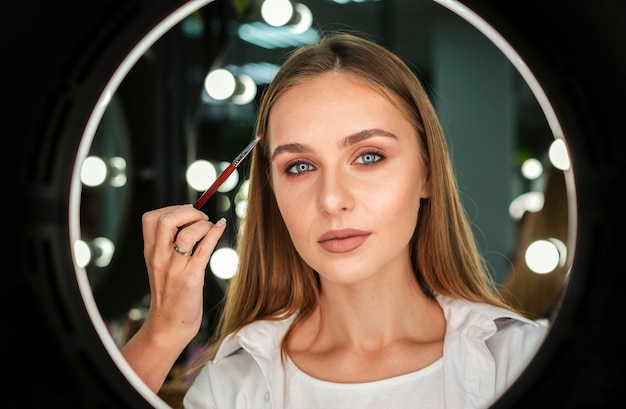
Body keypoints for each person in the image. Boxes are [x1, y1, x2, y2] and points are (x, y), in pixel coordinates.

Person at [121, 31, 548, 409]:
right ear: (272, 192)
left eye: (368, 157)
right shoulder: (233, 388)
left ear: (428, 173)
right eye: (300, 166)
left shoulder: (521, 361)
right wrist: (160, 337)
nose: (331, 199)